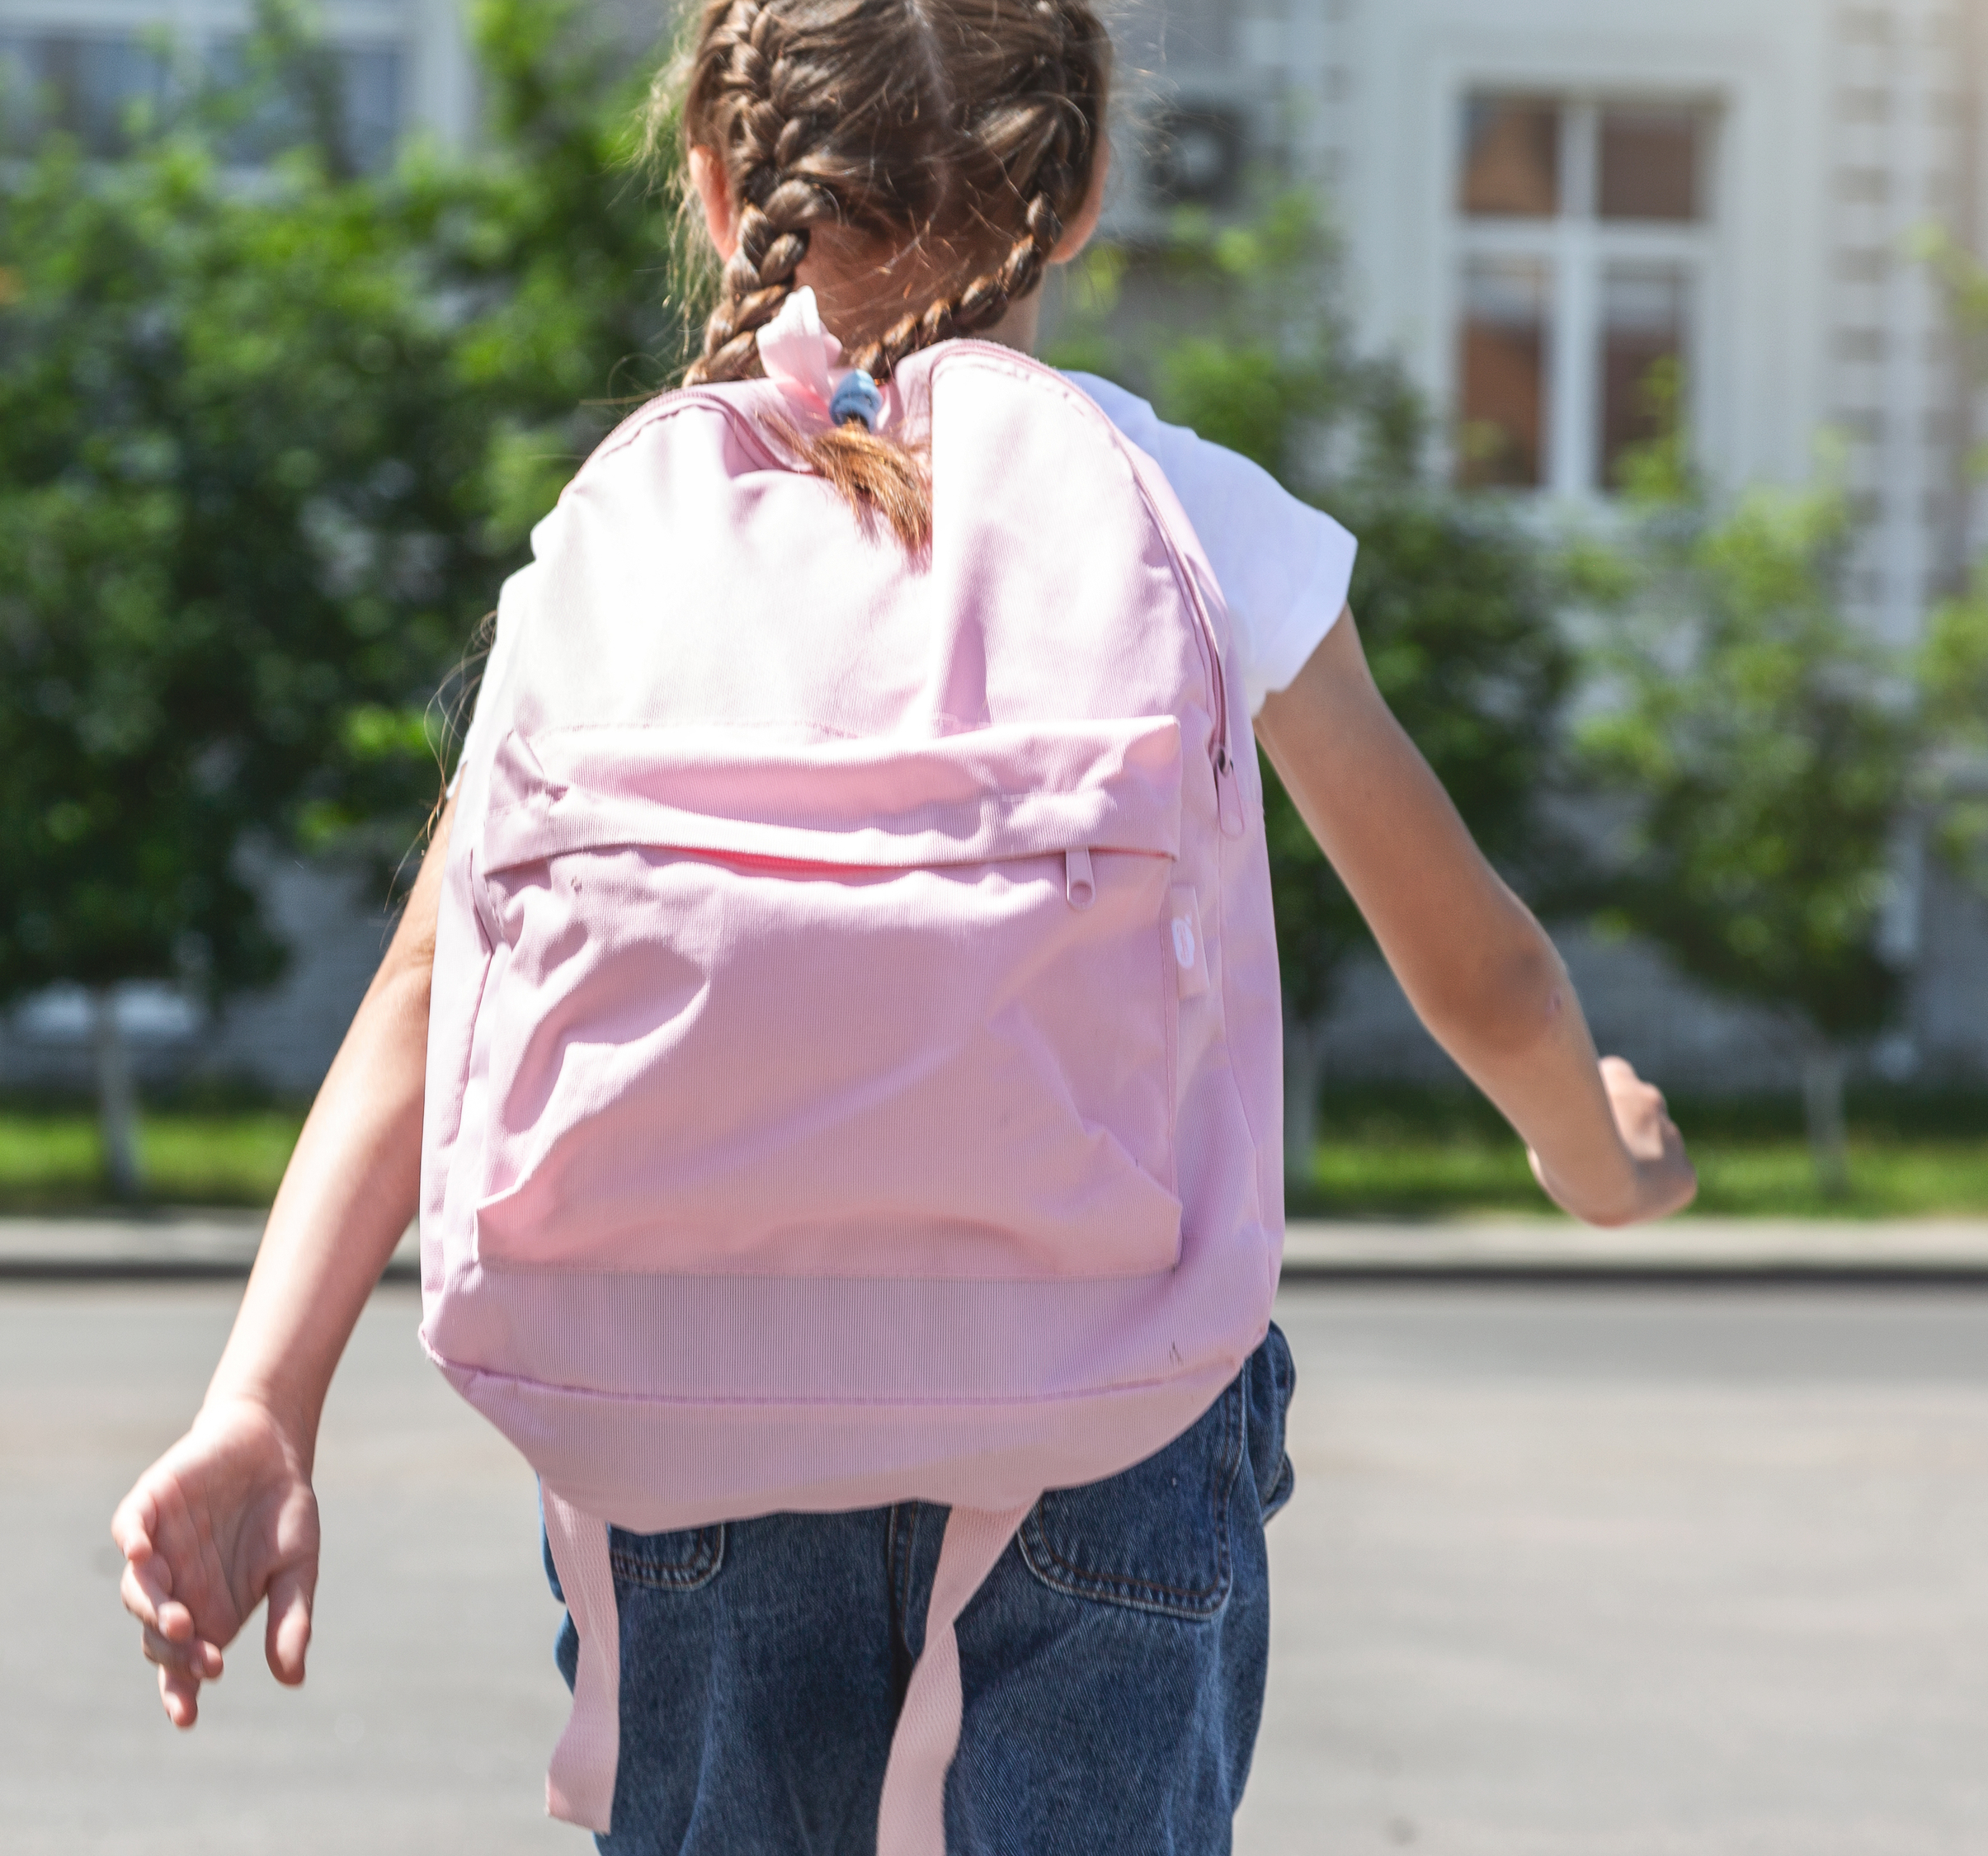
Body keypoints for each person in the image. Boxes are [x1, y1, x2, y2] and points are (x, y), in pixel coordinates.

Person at [112, 0, 1698, 1847]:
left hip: (679, 1415)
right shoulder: (1184, 516)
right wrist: (1600, 1160)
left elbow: (420, 991)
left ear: (717, 189)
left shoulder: (616, 547)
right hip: (1106, 1411)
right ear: (1084, 188)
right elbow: (1479, 962)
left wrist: (258, 1401)